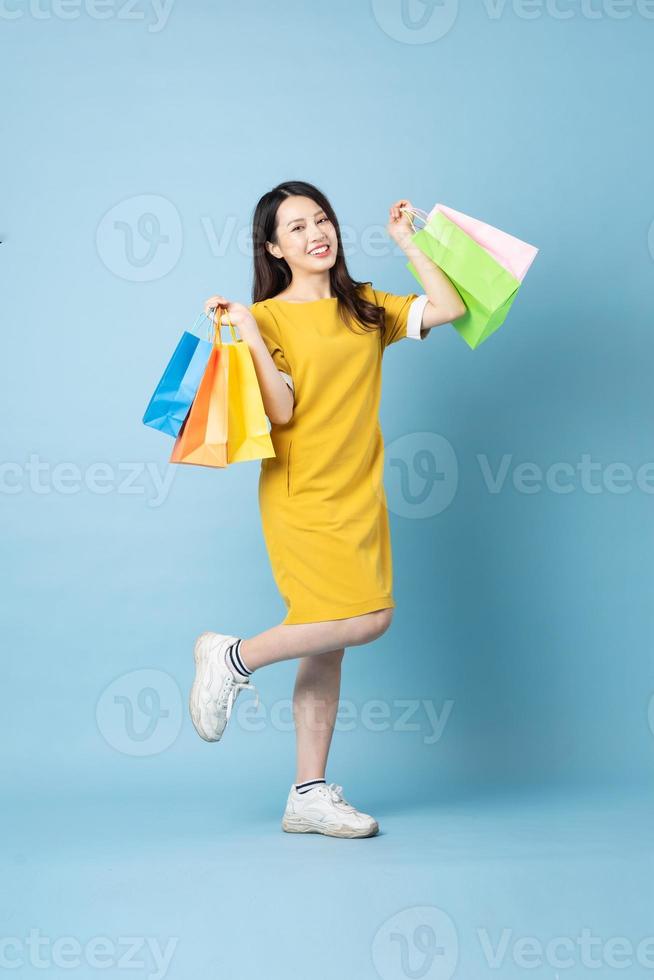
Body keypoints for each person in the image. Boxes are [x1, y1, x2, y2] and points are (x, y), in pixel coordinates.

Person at [189, 180, 466, 838]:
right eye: (297, 227)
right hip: (302, 493)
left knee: (332, 643)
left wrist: (410, 242)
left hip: (359, 490)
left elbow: (450, 307)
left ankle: (307, 794)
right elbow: (282, 411)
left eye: (322, 219)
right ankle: (233, 658)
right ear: (273, 247)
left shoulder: (365, 306)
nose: (318, 233)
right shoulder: (271, 318)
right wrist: (251, 329)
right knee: (367, 619)